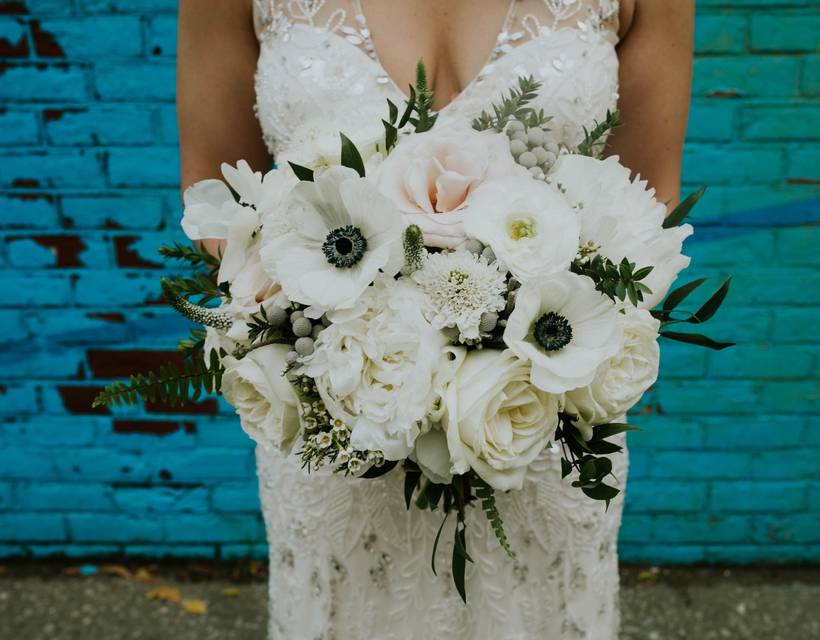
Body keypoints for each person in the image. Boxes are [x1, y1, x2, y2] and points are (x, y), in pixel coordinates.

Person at [177, 1, 693, 637]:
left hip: (534, 426)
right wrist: (347, 334)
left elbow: (643, 204)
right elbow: (222, 199)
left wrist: (499, 343)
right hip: (335, 424)